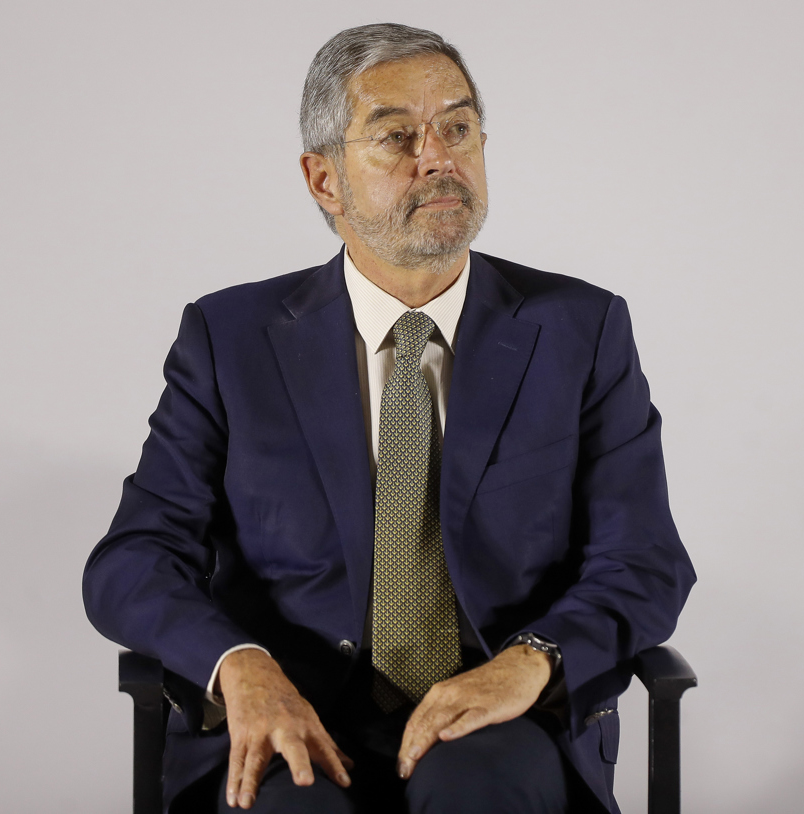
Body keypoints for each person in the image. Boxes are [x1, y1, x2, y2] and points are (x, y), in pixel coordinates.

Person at [83, 22, 695, 814]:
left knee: (480, 792)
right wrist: (239, 665)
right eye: (397, 136)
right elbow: (132, 560)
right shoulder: (231, 339)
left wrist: (532, 662)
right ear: (324, 180)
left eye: (458, 127)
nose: (438, 156)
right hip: (294, 708)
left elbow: (643, 560)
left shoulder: (580, 329)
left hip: (498, 713)